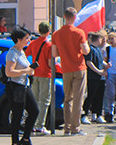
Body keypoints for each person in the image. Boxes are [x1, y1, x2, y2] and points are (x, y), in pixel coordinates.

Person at [52, 7, 90, 136]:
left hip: (66, 69)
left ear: (64, 17)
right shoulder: (79, 32)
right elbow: (85, 51)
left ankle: (67, 127)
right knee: (78, 99)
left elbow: (54, 53)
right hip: (79, 68)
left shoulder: (56, 34)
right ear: (75, 18)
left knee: (67, 99)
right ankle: (75, 127)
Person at [5, 27, 38, 145]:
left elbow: (24, 68)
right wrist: (26, 71)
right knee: (17, 115)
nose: (29, 40)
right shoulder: (12, 53)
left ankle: (25, 139)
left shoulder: (21, 52)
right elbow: (9, 72)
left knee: (34, 111)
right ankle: (15, 143)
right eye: (26, 38)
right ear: (18, 40)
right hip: (15, 87)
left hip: (24, 85)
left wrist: (30, 70)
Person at [25, 22, 54, 134]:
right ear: (48, 31)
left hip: (34, 73)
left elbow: (25, 54)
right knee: (44, 101)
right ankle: (40, 125)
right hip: (46, 74)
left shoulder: (33, 43)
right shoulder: (49, 45)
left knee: (35, 100)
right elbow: (49, 63)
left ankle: (32, 124)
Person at [84, 32, 107, 123]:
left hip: (100, 77)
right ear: (98, 39)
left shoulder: (98, 49)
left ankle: (97, 114)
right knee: (91, 96)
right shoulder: (91, 49)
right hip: (93, 77)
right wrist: (98, 71)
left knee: (99, 96)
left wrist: (106, 65)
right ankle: (84, 114)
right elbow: (89, 62)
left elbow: (100, 61)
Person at [103, 31, 116, 123]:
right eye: (110, 39)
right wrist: (106, 67)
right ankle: (110, 113)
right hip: (111, 73)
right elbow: (105, 60)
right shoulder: (107, 49)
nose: (111, 40)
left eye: (113, 38)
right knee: (111, 94)